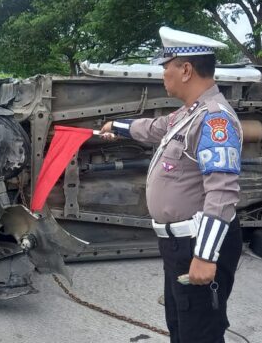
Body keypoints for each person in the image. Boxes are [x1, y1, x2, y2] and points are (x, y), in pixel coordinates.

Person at [100, 27, 243, 343]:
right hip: (178, 244)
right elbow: (154, 128)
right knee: (180, 326)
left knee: (200, 333)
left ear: (186, 69)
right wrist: (117, 126)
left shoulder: (214, 119)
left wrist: (206, 256)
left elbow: (222, 190)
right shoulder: (189, 113)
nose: (163, 73)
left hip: (199, 243)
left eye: (167, 66)